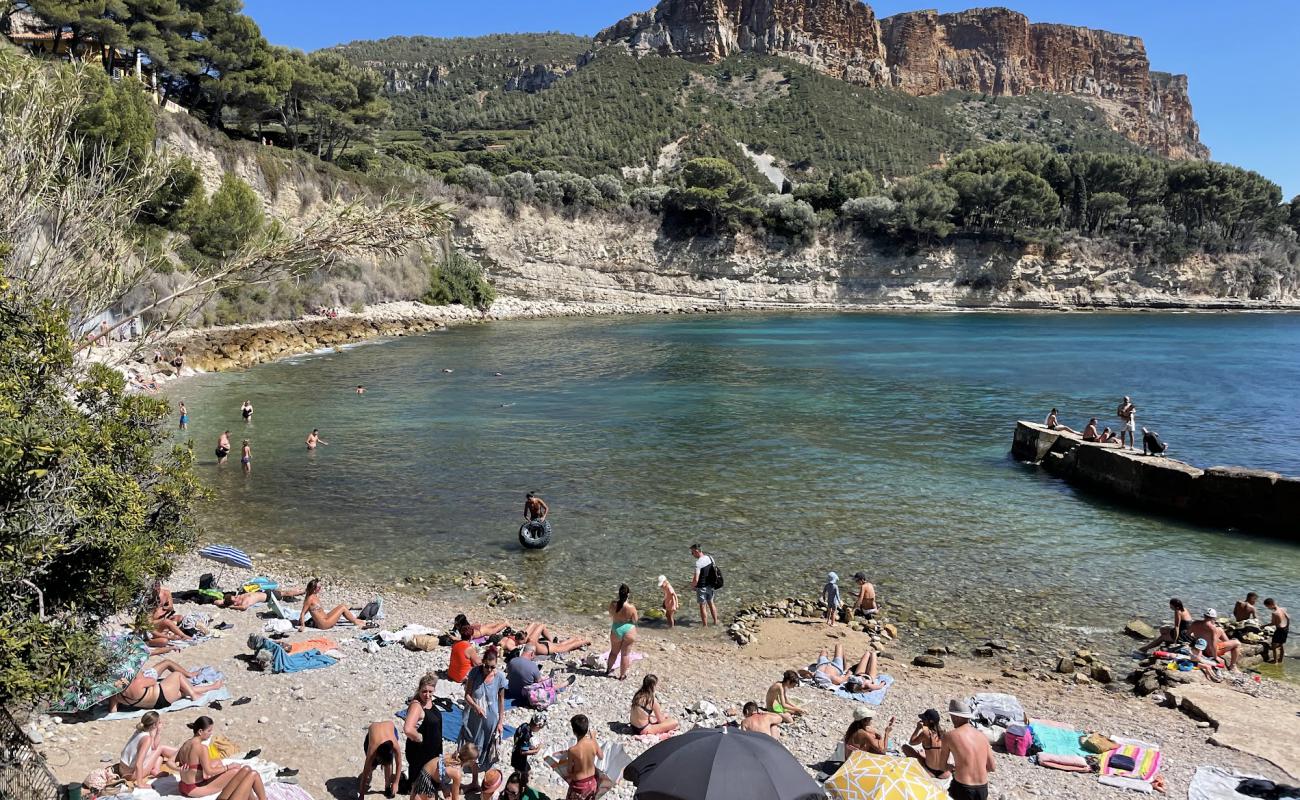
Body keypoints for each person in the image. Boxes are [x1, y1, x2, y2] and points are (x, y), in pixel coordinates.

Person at [176, 716, 266, 800]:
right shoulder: (201, 748)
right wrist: (227, 767)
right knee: (247, 772)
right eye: (209, 731)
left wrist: (182, 769)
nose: (211, 734)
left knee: (246, 770)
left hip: (184, 785)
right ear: (200, 731)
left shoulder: (186, 744)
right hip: (195, 787)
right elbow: (209, 771)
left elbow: (172, 762)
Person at [460, 646, 508, 791]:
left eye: (492, 667)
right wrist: (475, 707)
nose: (488, 669)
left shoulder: (499, 677)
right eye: (486, 666)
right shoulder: (475, 673)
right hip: (475, 717)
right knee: (474, 748)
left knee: (488, 748)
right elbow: (467, 695)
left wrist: (501, 721)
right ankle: (474, 781)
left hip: (491, 717)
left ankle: (488, 783)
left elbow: (501, 700)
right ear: (483, 662)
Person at [108, 661, 224, 713]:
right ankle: (194, 695)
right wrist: (139, 674)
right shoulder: (137, 683)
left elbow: (113, 711)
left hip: (156, 705)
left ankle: (213, 687)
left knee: (183, 691)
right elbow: (152, 681)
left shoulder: (115, 694)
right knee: (177, 676)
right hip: (162, 695)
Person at [940, 700, 993, 800]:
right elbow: (992, 767)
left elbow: (942, 766)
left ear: (956, 717)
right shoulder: (982, 736)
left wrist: (953, 768)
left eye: (951, 717)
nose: (951, 719)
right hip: (982, 788)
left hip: (963, 788)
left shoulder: (949, 736)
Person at [403, 674, 444, 793]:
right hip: (421, 753)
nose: (427, 695)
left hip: (433, 751)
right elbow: (408, 729)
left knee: (431, 784)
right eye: (424, 691)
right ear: (419, 689)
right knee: (420, 787)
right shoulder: (417, 706)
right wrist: (419, 738)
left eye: (430, 691)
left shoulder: (429, 702)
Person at [117, 712, 177, 788]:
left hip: (123, 770)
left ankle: (156, 769)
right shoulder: (146, 739)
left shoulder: (140, 730)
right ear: (154, 725)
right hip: (131, 775)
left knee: (159, 752)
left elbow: (153, 747)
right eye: (159, 722)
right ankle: (184, 755)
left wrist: (157, 732)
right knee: (161, 748)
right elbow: (139, 764)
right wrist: (140, 784)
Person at [554, 715, 601, 800]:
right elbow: (601, 756)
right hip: (592, 782)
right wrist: (593, 738)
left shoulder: (572, 750)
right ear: (587, 729)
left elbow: (569, 770)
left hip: (579, 786)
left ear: (574, 731)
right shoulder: (593, 743)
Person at [299, 578, 373, 631]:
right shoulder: (309, 599)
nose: (320, 588)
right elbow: (303, 612)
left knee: (342, 606)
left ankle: (355, 620)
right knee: (343, 608)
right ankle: (356, 622)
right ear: (314, 589)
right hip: (324, 624)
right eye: (319, 587)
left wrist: (299, 621)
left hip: (326, 618)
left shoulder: (314, 595)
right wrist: (302, 625)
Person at [411, 743, 475, 800]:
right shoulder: (457, 773)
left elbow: (441, 773)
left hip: (423, 773)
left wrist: (444, 788)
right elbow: (455, 796)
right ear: (469, 761)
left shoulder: (451, 756)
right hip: (427, 781)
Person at [358, 719, 402, 799]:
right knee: (371, 766)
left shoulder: (394, 744)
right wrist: (361, 794)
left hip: (391, 730)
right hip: (373, 733)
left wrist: (396, 783)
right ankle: (364, 778)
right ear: (377, 755)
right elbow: (366, 770)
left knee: (388, 765)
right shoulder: (372, 748)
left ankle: (387, 786)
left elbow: (399, 763)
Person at [812, 644, 885, 691]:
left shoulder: (861, 683)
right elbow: (878, 687)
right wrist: (882, 683)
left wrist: (882, 683)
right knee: (871, 655)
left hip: (860, 674)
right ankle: (874, 653)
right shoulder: (865, 684)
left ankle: (873, 653)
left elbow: (878, 687)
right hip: (866, 676)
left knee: (869, 654)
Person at [904, 709, 949, 779]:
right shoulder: (944, 734)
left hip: (929, 771)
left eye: (924, 719)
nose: (922, 721)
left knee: (905, 747)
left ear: (930, 721)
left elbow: (911, 742)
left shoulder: (926, 733)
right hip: (944, 773)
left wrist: (917, 728)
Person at [606, 584, 638, 680]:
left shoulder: (613, 604)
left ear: (619, 594)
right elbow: (635, 620)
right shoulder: (631, 607)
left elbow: (611, 614)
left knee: (613, 652)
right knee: (625, 654)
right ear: (628, 594)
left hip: (616, 628)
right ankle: (622, 675)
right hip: (629, 630)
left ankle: (608, 670)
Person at [690, 544, 720, 627]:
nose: (692, 555)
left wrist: (692, 586)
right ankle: (715, 622)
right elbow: (714, 571)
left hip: (701, 587)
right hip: (710, 585)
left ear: (696, 551)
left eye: (692, 553)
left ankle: (705, 626)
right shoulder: (710, 558)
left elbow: (696, 579)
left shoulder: (698, 563)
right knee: (711, 603)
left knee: (702, 607)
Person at [510, 714, 546, 784]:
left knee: (527, 771)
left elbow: (518, 739)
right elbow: (523, 752)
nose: (540, 729)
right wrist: (536, 750)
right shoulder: (527, 735)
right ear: (537, 726)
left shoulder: (524, 725)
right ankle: (520, 789)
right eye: (540, 728)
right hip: (519, 759)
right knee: (522, 777)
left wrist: (529, 746)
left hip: (515, 754)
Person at [1264, 598, 1289, 663]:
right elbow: (1288, 618)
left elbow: (1273, 623)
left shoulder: (1274, 613)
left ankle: (1275, 661)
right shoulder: (1282, 609)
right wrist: (1287, 627)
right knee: (1281, 645)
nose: (1268, 608)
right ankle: (1281, 659)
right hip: (1285, 629)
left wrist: (1264, 625)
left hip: (1279, 630)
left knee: (1274, 646)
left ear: (1271, 605)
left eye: (1267, 606)